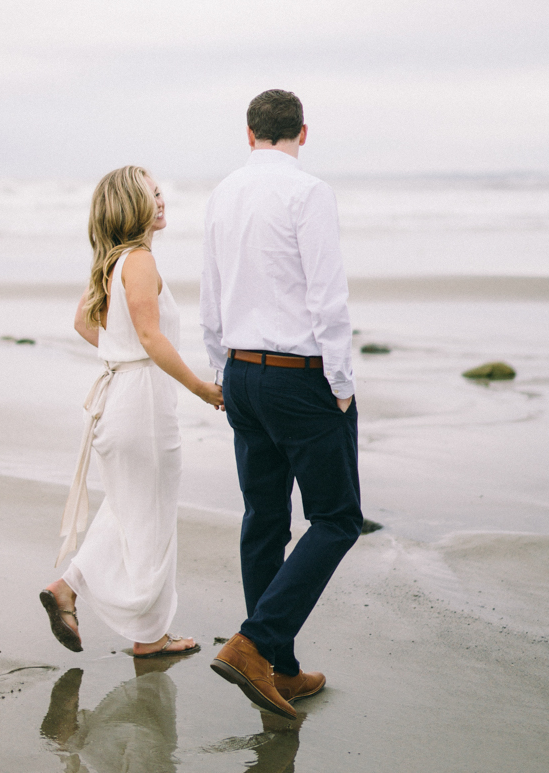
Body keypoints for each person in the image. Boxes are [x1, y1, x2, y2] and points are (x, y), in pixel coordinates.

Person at [200, 89, 362, 719]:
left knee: (264, 520)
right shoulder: (309, 191)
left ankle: (282, 669)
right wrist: (342, 386)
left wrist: (222, 369)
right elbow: (328, 296)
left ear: (249, 134)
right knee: (337, 518)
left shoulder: (222, 193)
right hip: (302, 377)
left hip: (241, 372)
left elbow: (212, 294)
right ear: (302, 131)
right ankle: (257, 644)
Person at [41, 165, 224, 658]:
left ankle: (69, 588)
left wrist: (120, 352)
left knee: (128, 511)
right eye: (152, 194)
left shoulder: (113, 261)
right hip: (140, 399)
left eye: (163, 192)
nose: (162, 201)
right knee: (151, 519)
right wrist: (202, 388)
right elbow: (150, 337)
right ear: (131, 204)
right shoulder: (139, 259)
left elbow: (83, 322)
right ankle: (150, 636)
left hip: (119, 396)